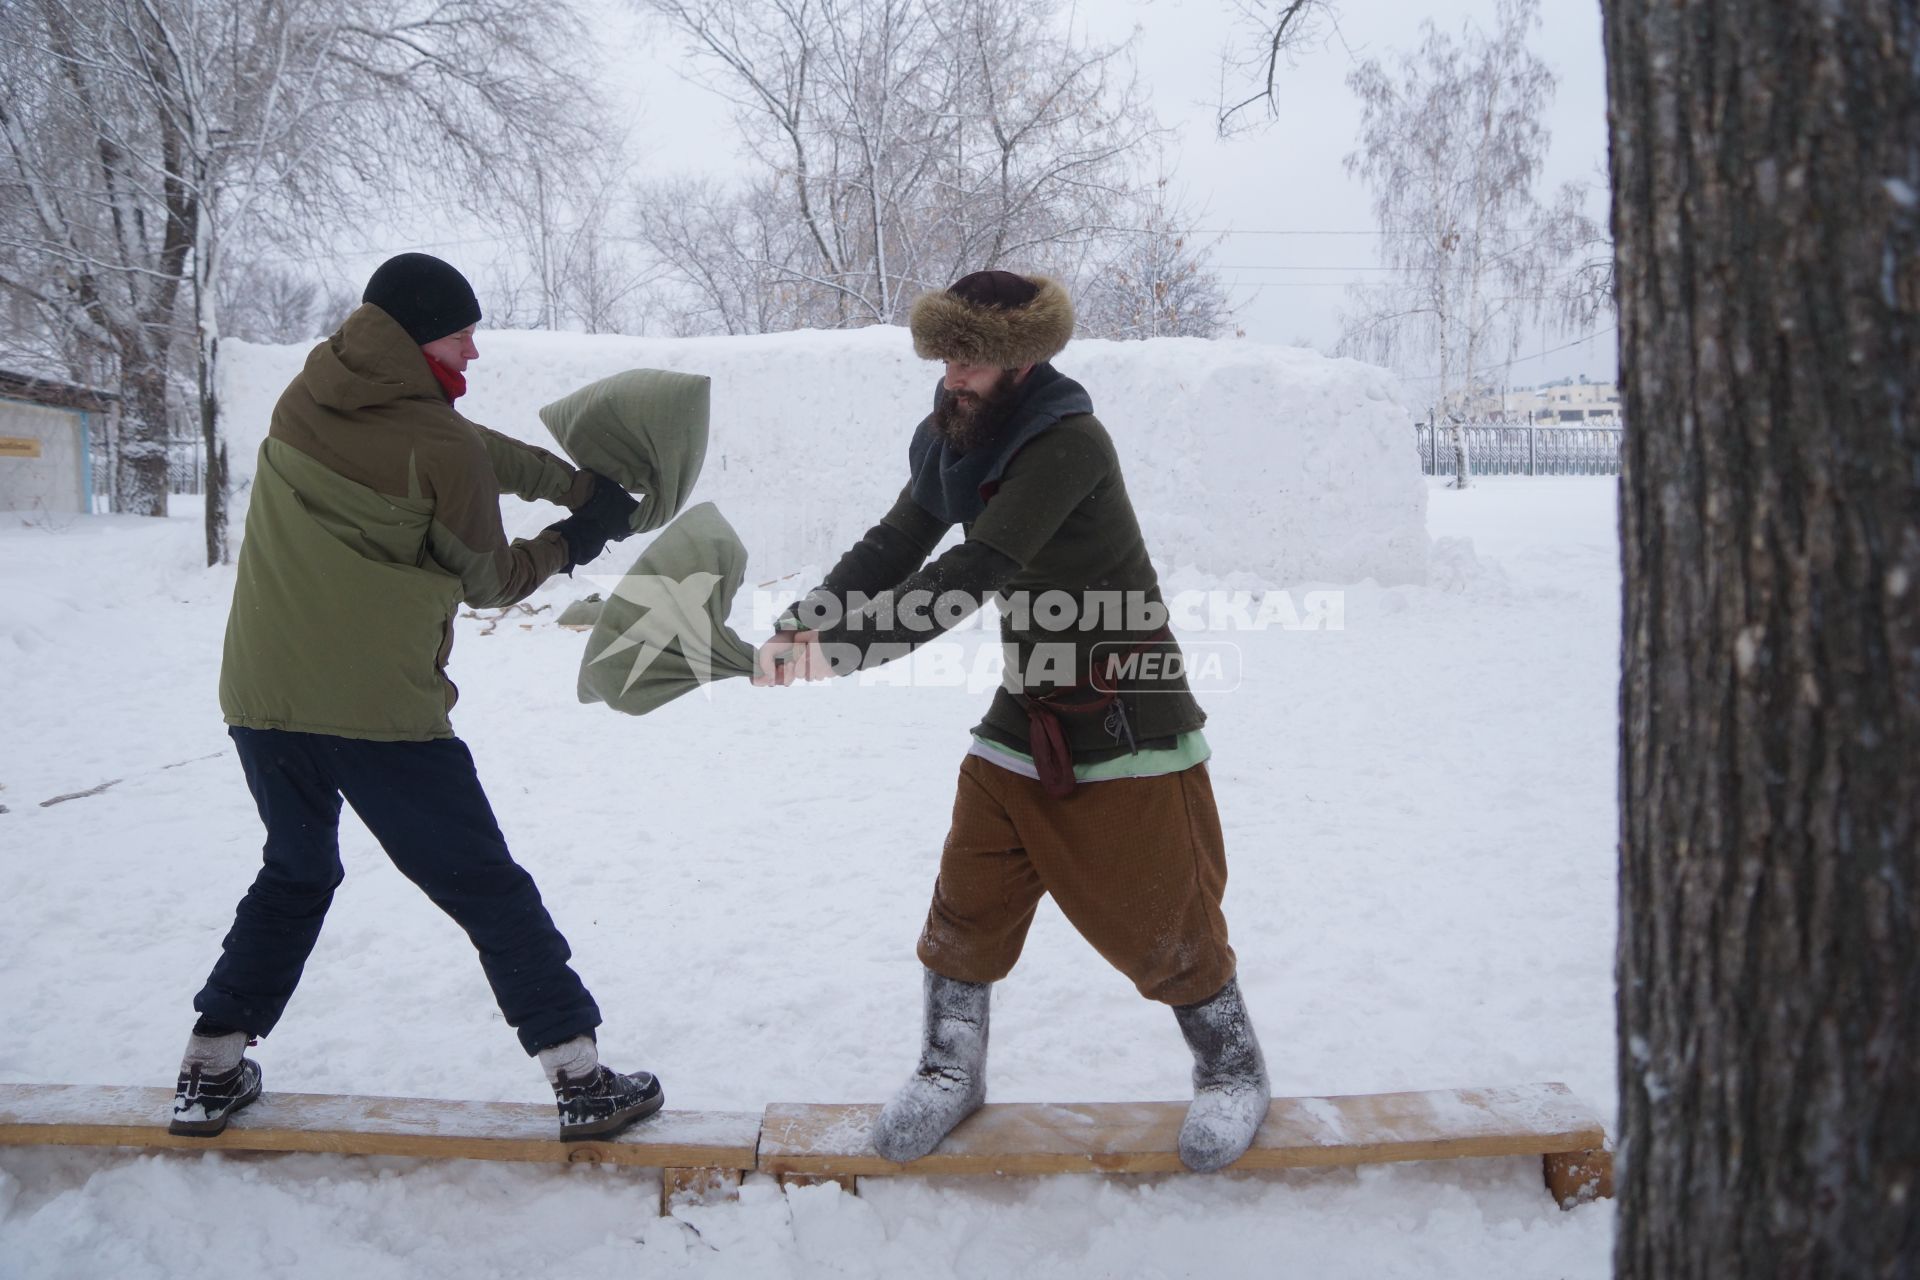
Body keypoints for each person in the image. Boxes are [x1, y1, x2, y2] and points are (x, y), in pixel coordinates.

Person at [755, 270, 1270, 1171]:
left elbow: (973, 572)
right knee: (970, 891)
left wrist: (841, 654)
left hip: (1123, 709)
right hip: (1028, 700)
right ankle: (951, 1068)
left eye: (970, 359)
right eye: (945, 355)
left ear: (1023, 358)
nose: (952, 374)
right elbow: (897, 544)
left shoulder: (1068, 443)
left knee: (1165, 918)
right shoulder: (954, 438)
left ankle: (1231, 1069)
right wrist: (808, 619)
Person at [170, 253, 661, 1141]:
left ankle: (209, 1069)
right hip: (377, 712)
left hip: (260, 695)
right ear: (415, 335)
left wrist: (576, 483)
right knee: (483, 884)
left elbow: (464, 451)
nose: (474, 351)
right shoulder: (435, 442)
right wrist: (576, 534)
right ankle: (581, 1076)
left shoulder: (307, 395)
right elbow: (493, 579)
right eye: (462, 332)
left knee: (297, 868)